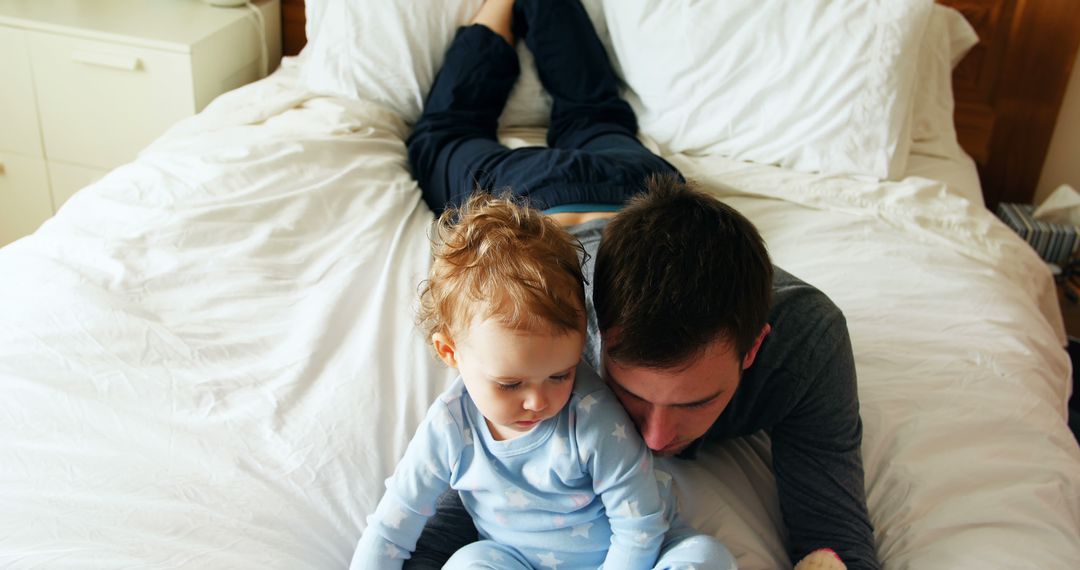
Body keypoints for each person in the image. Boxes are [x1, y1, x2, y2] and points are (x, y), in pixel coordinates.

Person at [403, 0, 880, 568]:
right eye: (629, 393)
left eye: (696, 401)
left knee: (598, 116)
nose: (655, 439)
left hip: (646, 187)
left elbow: (833, 533)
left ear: (754, 347)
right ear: (596, 330)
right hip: (533, 195)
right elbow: (471, 485)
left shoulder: (807, 340)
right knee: (439, 138)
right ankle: (498, 13)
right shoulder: (554, 341)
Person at [350, 193, 735, 569]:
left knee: (706, 556)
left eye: (560, 375)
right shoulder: (448, 429)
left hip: (638, 555)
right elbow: (390, 530)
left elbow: (640, 527)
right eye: (510, 384)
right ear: (450, 353)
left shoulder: (591, 417)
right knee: (468, 562)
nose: (538, 401)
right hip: (517, 559)